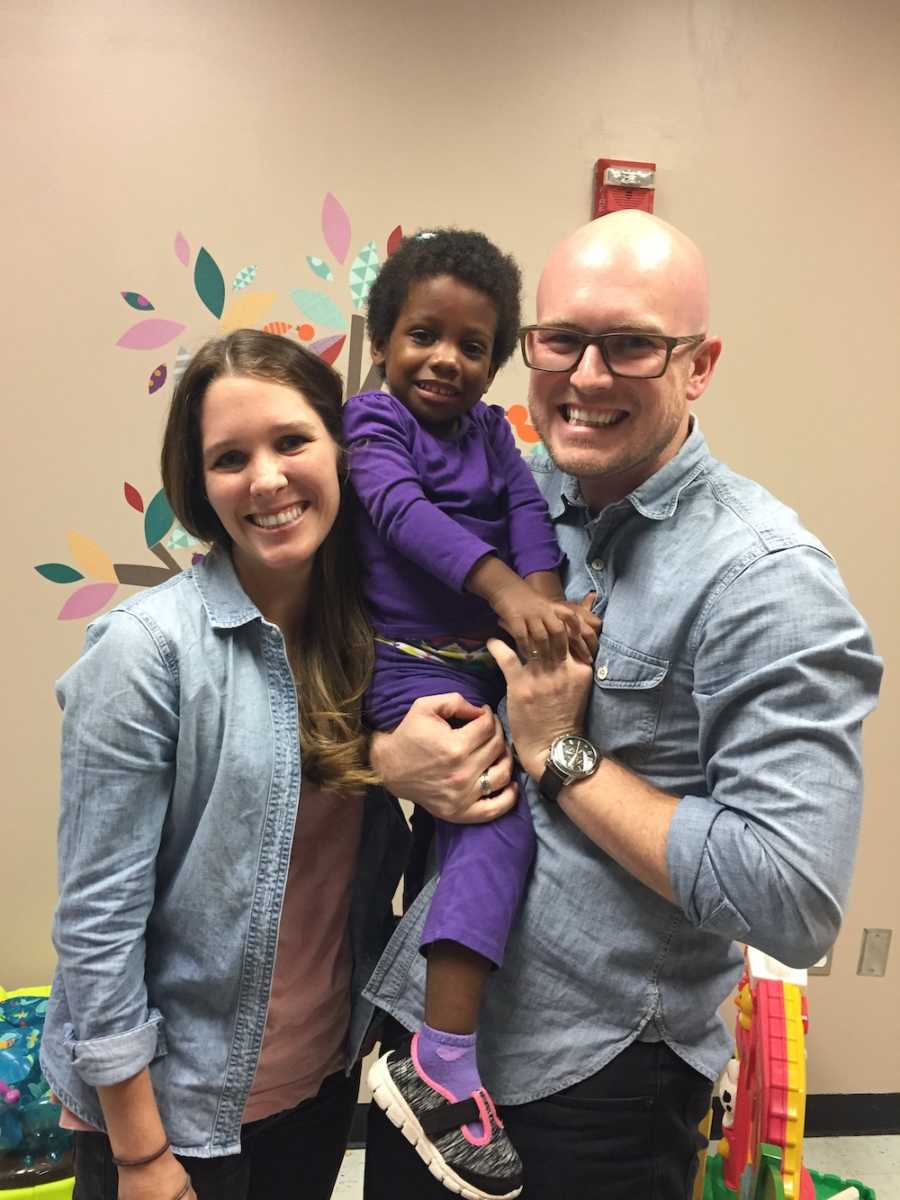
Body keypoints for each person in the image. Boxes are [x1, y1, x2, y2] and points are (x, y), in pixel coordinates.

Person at [359, 211, 883, 1200]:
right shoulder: (514, 490)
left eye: (632, 343)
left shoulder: (765, 581)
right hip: (421, 1038)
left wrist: (560, 755)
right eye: (562, 340)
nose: (588, 376)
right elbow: (364, 630)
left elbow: (793, 900)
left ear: (699, 364)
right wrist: (391, 760)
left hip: (595, 1077)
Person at [40, 330, 425, 1200]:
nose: (266, 479)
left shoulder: (374, 643)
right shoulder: (145, 653)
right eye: (228, 458)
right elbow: (98, 925)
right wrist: (140, 1154)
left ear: (342, 450)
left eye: (292, 441)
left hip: (320, 1085)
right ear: (200, 485)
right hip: (171, 1118)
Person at [343, 229, 597, 1200]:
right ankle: (439, 1059)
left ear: (497, 357)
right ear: (382, 341)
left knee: (490, 841)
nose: (447, 358)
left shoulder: (494, 433)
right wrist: (507, 594)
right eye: (423, 335)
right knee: (493, 816)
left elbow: (531, 517)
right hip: (407, 672)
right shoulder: (370, 426)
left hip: (478, 660)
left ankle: (427, 1034)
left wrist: (547, 605)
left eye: (473, 343)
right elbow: (405, 515)